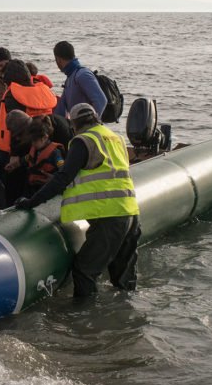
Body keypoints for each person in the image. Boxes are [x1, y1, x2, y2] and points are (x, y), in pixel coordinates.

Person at [15, 103, 141, 297]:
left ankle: (85, 320)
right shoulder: (115, 138)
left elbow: (63, 177)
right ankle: (125, 316)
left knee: (84, 270)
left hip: (109, 215)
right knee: (123, 275)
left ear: (74, 124)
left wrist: (32, 202)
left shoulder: (84, 141)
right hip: (130, 211)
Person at [0, 60, 58, 204]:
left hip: (16, 149)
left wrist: (14, 154)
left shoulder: (14, 94)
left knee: (12, 190)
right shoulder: (42, 91)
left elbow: (15, 126)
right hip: (40, 146)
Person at [52, 41, 107, 119]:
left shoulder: (82, 75)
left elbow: (101, 100)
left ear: (58, 59)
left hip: (87, 128)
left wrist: (91, 123)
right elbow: (60, 110)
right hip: (78, 128)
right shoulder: (70, 78)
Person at [22, 120, 65, 196]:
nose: (32, 143)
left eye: (35, 141)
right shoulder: (35, 150)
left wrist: (54, 178)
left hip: (47, 189)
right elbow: (29, 158)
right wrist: (18, 163)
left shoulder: (55, 153)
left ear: (45, 137)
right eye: (31, 141)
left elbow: (62, 169)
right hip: (33, 188)